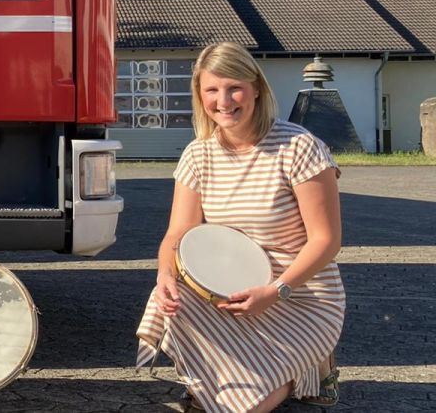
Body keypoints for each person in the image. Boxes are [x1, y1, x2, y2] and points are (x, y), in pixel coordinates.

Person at [136, 43, 344, 412]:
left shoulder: (299, 146)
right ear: (200, 97)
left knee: (245, 407)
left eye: (234, 88)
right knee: (169, 297)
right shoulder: (198, 154)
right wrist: (165, 273)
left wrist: (276, 291)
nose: (223, 100)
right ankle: (282, 367)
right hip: (228, 288)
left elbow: (326, 240)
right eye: (211, 90)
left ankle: (307, 362)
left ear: (257, 88)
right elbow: (178, 233)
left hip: (299, 293)